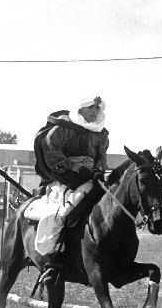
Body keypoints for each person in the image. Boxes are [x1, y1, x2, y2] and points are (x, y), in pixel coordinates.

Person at [33, 96, 109, 282]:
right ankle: (52, 260)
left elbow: (101, 157)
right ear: (81, 109)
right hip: (63, 180)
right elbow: (51, 151)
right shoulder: (64, 127)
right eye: (90, 108)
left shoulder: (100, 133)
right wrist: (69, 170)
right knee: (62, 212)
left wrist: (98, 170)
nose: (93, 112)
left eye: (97, 109)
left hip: (89, 179)